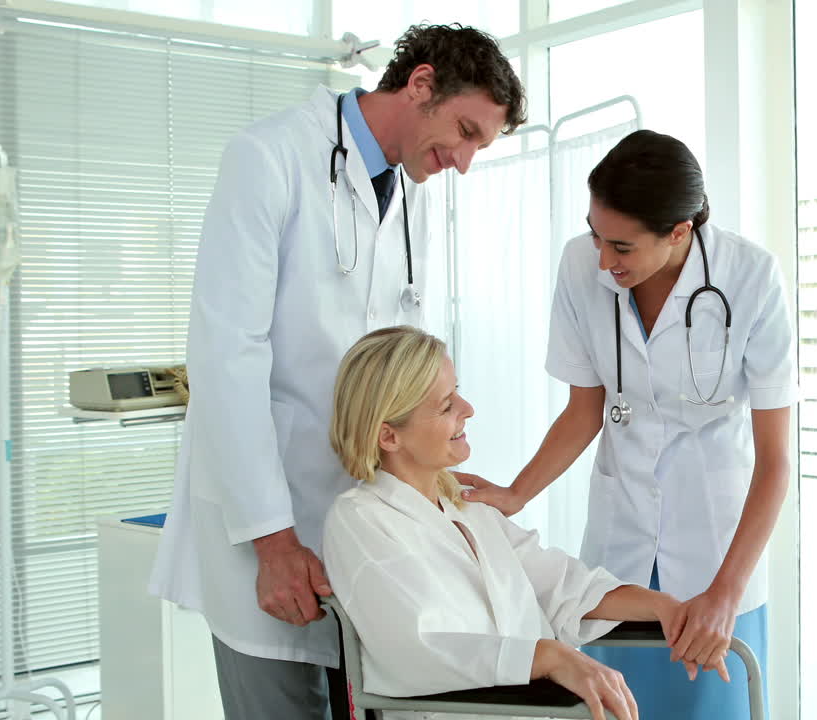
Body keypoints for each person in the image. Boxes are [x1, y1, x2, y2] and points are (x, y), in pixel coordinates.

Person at [148, 24, 526, 720]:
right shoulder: (268, 158)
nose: (465, 162)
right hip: (270, 513)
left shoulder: (409, 189)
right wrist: (272, 538)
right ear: (420, 84)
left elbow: (396, 365)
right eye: (465, 131)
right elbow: (226, 359)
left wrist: (430, 485)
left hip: (365, 524)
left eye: (480, 146)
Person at [463, 129, 796, 720]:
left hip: (717, 556)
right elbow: (584, 409)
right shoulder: (580, 266)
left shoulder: (751, 278)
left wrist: (725, 594)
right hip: (620, 556)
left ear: (679, 232)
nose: (602, 260)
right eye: (595, 235)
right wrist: (514, 495)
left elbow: (775, 462)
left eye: (621, 247)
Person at [323, 325, 725, 720]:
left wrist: (670, 609)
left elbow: (563, 585)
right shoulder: (360, 521)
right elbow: (415, 649)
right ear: (389, 437)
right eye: (446, 405)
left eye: (458, 392)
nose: (468, 410)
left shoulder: (468, 508)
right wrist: (550, 655)